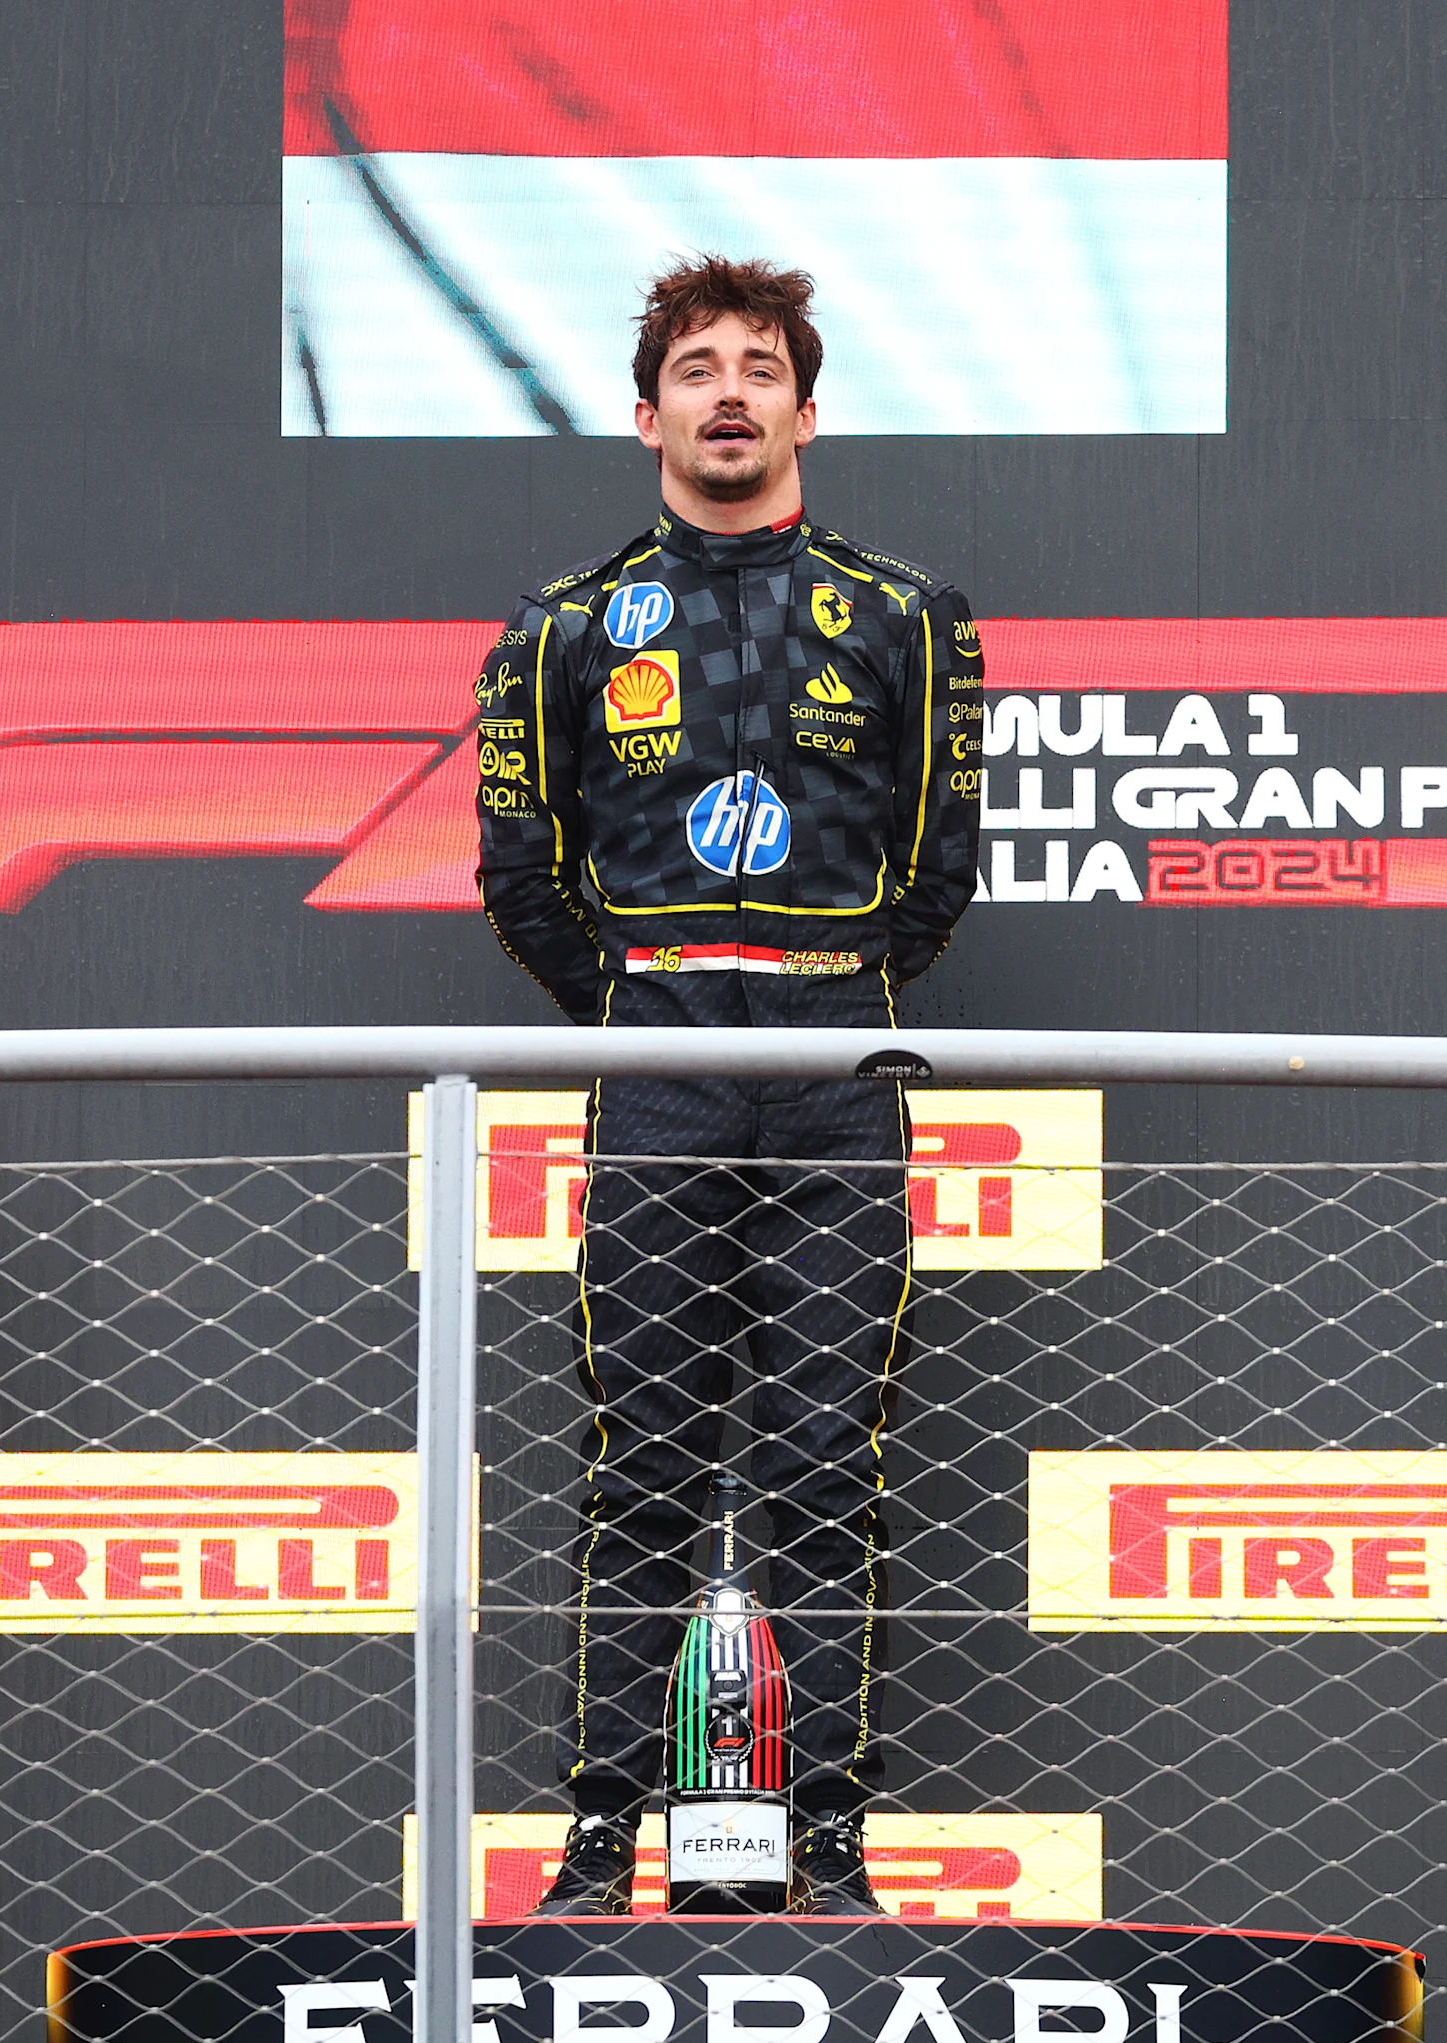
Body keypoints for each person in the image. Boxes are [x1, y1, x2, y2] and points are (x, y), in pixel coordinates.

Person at [475, 258, 981, 1916]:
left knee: (830, 1462)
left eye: (761, 368)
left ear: (807, 411)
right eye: (697, 369)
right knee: (645, 1465)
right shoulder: (563, 624)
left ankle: (831, 1842)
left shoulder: (909, 614)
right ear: (648, 416)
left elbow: (938, 870)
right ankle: (598, 1844)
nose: (731, 394)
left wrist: (827, 994)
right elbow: (519, 871)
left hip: (837, 1076)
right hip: (661, 1076)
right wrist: (642, 1014)